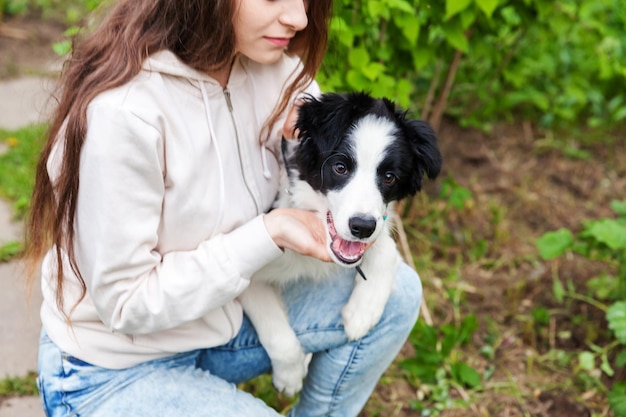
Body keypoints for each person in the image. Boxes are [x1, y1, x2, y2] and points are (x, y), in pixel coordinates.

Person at [24, 0, 423, 415]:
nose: (299, 18)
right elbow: (125, 305)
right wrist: (268, 234)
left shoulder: (274, 67)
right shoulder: (124, 115)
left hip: (220, 328)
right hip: (114, 368)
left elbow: (348, 176)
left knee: (398, 292)